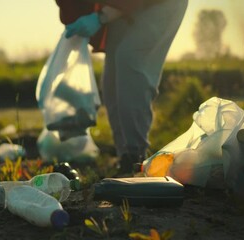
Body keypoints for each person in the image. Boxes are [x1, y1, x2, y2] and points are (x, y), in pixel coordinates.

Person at [56, 0, 188, 175]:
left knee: (129, 60)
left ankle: (136, 155)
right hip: (119, 8)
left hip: (161, 4)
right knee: (111, 80)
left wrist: (100, 17)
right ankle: (125, 155)